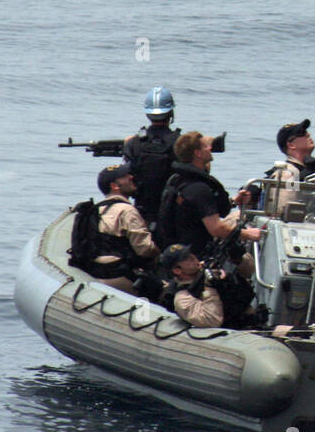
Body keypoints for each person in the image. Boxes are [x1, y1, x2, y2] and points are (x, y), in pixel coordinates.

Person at [160, 131, 262, 277]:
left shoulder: (177, 180)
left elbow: (197, 209)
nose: (211, 148)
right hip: (197, 255)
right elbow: (216, 229)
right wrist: (249, 234)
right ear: (198, 153)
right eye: (207, 146)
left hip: (180, 247)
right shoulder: (199, 188)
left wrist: (233, 201)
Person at [86, 162, 161, 294]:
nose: (131, 177)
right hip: (121, 275)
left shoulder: (96, 210)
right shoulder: (126, 210)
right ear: (114, 186)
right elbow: (145, 249)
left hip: (97, 272)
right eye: (125, 176)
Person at [123, 86, 181, 225]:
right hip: (173, 213)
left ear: (147, 114)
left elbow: (128, 174)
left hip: (142, 211)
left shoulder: (133, 143)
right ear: (171, 113)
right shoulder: (180, 143)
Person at [160, 245, 225, 328]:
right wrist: (208, 287)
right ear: (177, 270)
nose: (192, 257)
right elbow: (212, 320)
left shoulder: (208, 266)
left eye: (190, 253)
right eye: (185, 258)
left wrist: (238, 260)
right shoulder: (182, 298)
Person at [267, 119, 315, 214]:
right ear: (291, 145)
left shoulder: (306, 170)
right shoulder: (290, 173)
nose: (308, 135)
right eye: (302, 134)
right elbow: (286, 208)